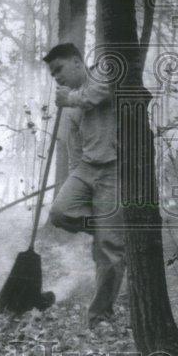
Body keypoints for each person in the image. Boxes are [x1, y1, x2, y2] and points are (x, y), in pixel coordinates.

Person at [44, 43, 126, 328]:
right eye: (53, 74)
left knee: (109, 251)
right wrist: (75, 185)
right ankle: (110, 228)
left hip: (115, 168)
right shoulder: (70, 105)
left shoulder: (102, 75)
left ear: (78, 63)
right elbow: (74, 149)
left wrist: (70, 99)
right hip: (87, 168)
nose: (57, 77)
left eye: (60, 69)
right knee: (59, 212)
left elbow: (97, 95)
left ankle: (99, 316)